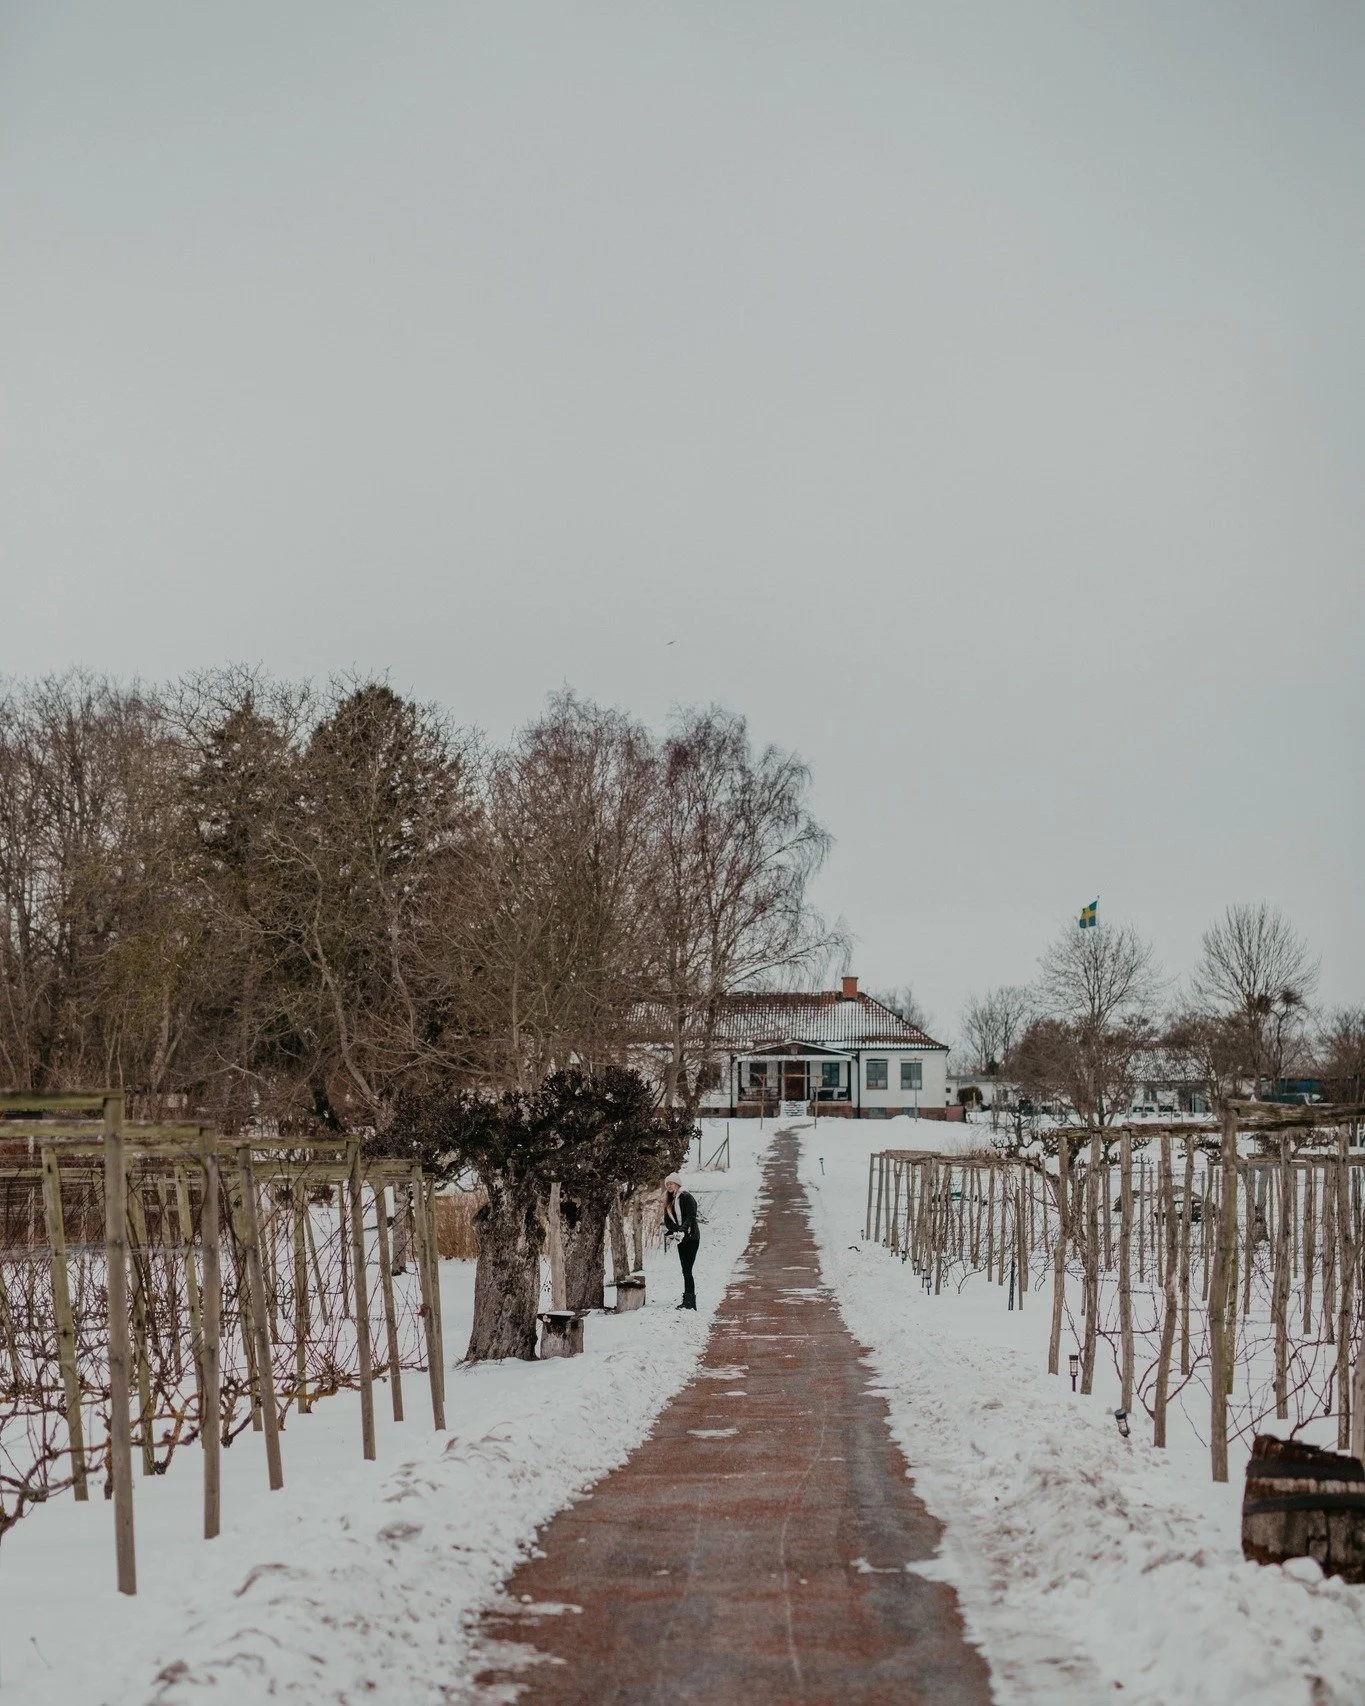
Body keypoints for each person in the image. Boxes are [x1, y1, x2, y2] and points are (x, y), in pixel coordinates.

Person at [662, 1175, 700, 1310]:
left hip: (691, 1237)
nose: (669, 1186)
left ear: (677, 1184)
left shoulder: (686, 1197)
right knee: (685, 1270)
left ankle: (690, 1301)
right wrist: (675, 1231)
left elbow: (691, 1216)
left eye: (672, 1184)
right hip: (680, 1238)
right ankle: (688, 1300)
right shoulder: (669, 1200)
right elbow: (667, 1220)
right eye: (667, 1184)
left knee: (687, 1270)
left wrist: (683, 1230)